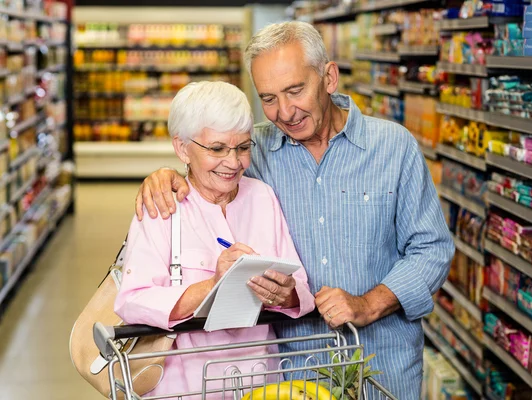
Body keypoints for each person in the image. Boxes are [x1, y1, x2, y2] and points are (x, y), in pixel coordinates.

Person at [135, 21, 454, 399]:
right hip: (290, 367)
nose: (285, 112)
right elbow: (211, 165)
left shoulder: (393, 148)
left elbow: (432, 249)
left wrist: (369, 304)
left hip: (382, 360)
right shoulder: (254, 152)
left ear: (329, 77)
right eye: (268, 98)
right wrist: (168, 175)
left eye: (295, 90)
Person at [115, 81, 315, 399]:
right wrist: (213, 286)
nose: (233, 162)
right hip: (186, 387)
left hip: (261, 383)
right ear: (182, 148)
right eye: (217, 149)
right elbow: (132, 301)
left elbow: (300, 289)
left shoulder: (262, 197)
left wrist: (284, 294)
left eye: (243, 147)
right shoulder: (163, 206)